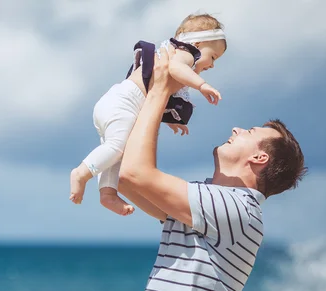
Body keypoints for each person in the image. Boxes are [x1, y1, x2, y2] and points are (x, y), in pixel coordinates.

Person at [118, 45, 307, 291]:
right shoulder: (209, 201)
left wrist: (161, 89)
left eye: (249, 131)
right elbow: (128, 181)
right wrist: (141, 100)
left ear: (259, 157)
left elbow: (134, 172)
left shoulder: (237, 207)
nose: (236, 128)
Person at [69, 13, 227, 216]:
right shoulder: (185, 54)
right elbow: (175, 69)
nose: (212, 65)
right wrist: (202, 85)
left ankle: (107, 194)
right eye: (213, 56)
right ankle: (81, 173)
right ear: (197, 43)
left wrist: (171, 121)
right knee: (116, 148)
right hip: (124, 102)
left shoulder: (175, 53)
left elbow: (160, 93)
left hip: (118, 104)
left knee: (116, 153)